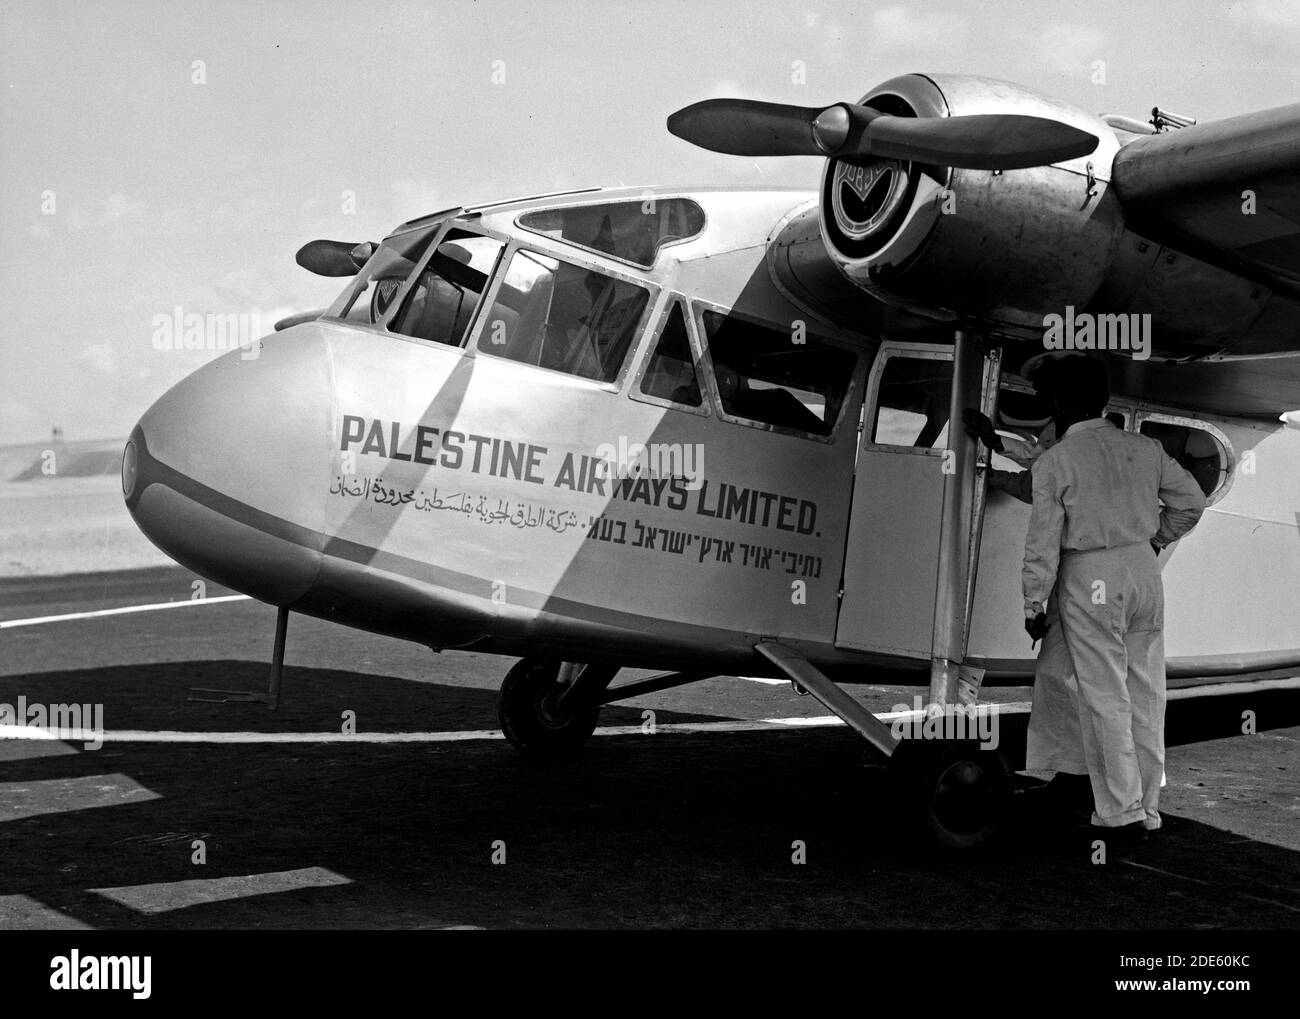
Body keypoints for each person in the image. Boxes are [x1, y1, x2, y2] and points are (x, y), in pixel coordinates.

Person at [1021, 355, 1206, 845]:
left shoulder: (1056, 460)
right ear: (1103, 400)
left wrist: (1034, 606)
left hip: (1091, 573)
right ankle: (1147, 809)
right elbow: (1192, 502)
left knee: (1104, 697)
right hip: (1143, 569)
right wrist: (1155, 540)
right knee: (1146, 694)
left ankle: (1119, 814)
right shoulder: (1145, 448)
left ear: (1060, 402)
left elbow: (1043, 542)